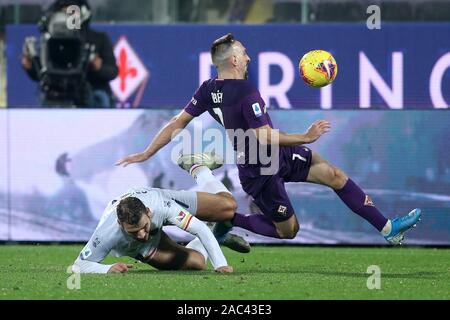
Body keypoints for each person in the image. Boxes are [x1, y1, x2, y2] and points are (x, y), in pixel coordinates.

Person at [115, 33, 421, 245]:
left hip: (274, 156)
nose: (248, 58)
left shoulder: (208, 89)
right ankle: (228, 221)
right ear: (233, 60)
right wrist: (306, 136)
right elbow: (263, 134)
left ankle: (388, 228)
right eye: (244, 54)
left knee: (334, 175)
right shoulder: (247, 92)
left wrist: (146, 152)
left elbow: (176, 122)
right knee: (289, 231)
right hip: (258, 168)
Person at [72, 183, 245, 274]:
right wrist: (106, 269)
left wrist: (221, 264)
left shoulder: (161, 206)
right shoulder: (107, 233)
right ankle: (217, 236)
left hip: (159, 196)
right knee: (198, 262)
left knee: (227, 207)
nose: (141, 234)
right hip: (138, 249)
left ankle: (199, 168)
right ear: (120, 224)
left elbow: (198, 227)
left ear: (148, 212)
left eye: (143, 227)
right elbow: (79, 266)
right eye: (133, 231)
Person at [21, 0, 118, 107]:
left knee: (100, 97)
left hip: (89, 92)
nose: (66, 18)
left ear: (82, 14)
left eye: (71, 13)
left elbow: (112, 71)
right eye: (62, 14)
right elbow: (42, 75)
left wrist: (98, 68)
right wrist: (30, 66)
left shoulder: (98, 39)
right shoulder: (50, 42)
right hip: (56, 92)